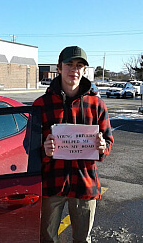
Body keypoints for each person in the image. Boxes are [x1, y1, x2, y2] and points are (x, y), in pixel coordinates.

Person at [32, 46, 114, 243]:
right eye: (69, 64)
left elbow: (108, 140)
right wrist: (44, 150)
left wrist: (102, 147)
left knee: (82, 239)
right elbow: (29, 147)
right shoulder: (41, 105)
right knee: (48, 238)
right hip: (52, 183)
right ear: (59, 68)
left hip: (84, 183)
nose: (74, 70)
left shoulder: (97, 105)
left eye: (79, 66)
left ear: (84, 70)